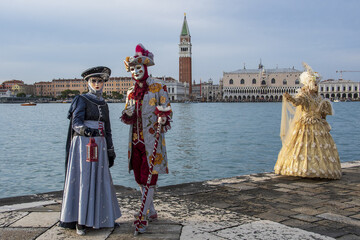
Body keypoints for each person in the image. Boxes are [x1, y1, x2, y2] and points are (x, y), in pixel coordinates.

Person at [60, 66, 121, 235]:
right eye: (93, 81)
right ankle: (80, 220)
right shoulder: (81, 100)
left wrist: (110, 150)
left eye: (100, 81)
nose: (97, 83)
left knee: (102, 180)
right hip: (83, 145)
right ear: (87, 82)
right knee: (84, 180)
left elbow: (108, 129)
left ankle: (104, 217)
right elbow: (76, 123)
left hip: (100, 145)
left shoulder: (105, 104)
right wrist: (87, 131)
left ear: (104, 83)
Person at [121, 44, 172, 233]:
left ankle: (142, 213)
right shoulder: (130, 92)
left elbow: (166, 107)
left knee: (150, 177)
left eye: (138, 67)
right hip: (135, 141)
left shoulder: (159, 86)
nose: (136, 71)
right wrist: (127, 111)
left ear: (145, 67)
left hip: (152, 141)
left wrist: (163, 116)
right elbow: (127, 115)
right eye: (133, 69)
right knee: (139, 177)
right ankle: (151, 210)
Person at [274, 62, 341, 179]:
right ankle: (301, 168)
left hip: (317, 124)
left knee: (318, 148)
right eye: (314, 83)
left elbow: (321, 111)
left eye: (317, 83)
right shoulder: (304, 95)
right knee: (302, 147)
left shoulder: (317, 97)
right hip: (305, 124)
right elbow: (297, 102)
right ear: (309, 83)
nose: (316, 85)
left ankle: (318, 169)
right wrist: (290, 98)